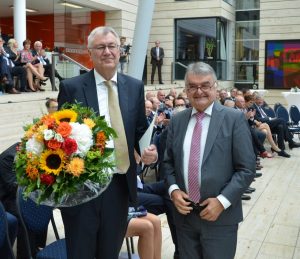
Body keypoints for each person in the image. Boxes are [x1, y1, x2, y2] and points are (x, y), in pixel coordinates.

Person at [58, 26, 158, 259]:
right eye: (100, 47)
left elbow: (140, 130)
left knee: (110, 251)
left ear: (120, 50)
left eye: (112, 46)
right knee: (81, 252)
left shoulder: (134, 86)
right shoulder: (71, 87)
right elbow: (61, 136)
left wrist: (151, 150)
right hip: (83, 188)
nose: (107, 52)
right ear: (90, 53)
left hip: (119, 186)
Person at [163, 62, 256, 259]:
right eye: (192, 86)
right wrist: (174, 190)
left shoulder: (234, 119)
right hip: (185, 218)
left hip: (220, 217)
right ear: (186, 90)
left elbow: (246, 169)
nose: (199, 91)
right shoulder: (177, 121)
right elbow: (168, 163)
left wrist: (222, 202)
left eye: (205, 85)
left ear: (215, 87)